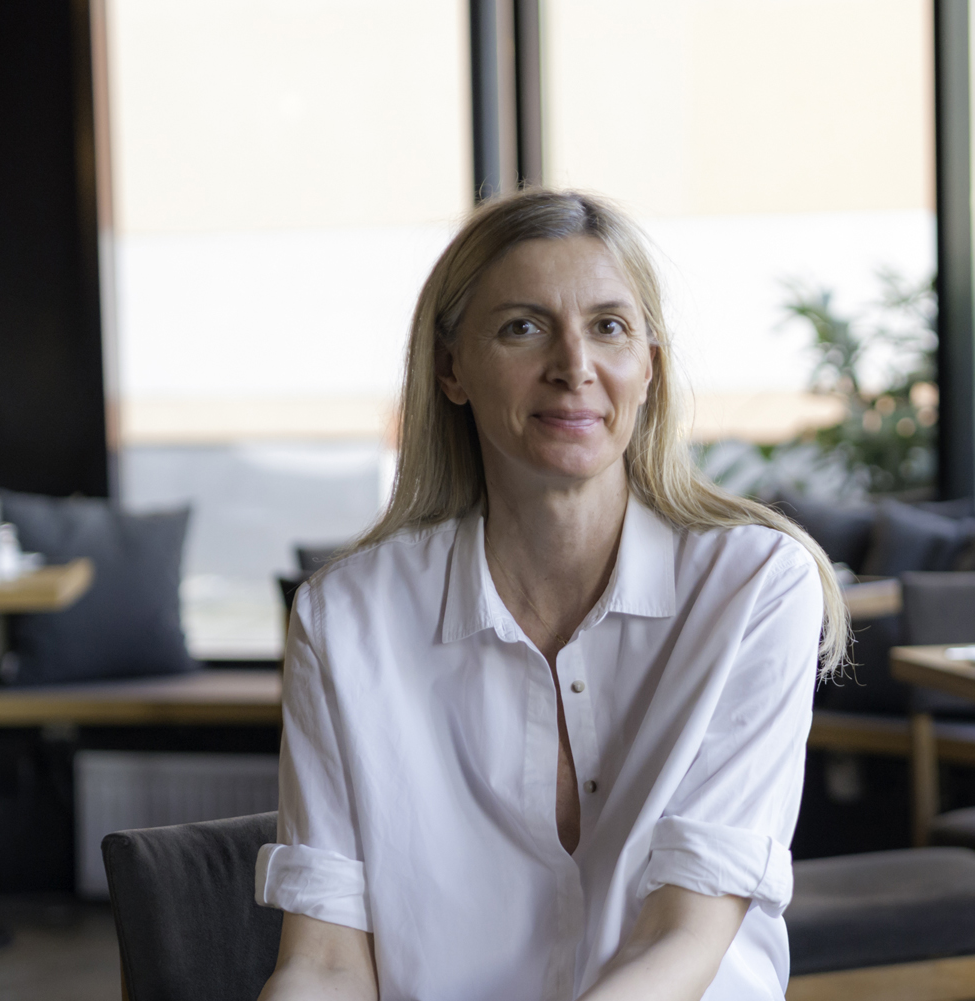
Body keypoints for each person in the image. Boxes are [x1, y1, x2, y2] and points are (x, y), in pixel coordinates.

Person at [254, 189, 848, 1001]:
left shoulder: (755, 587)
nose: (574, 366)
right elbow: (322, 962)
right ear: (451, 368)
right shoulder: (344, 618)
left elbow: (683, 936)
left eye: (609, 326)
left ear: (649, 367)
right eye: (523, 328)